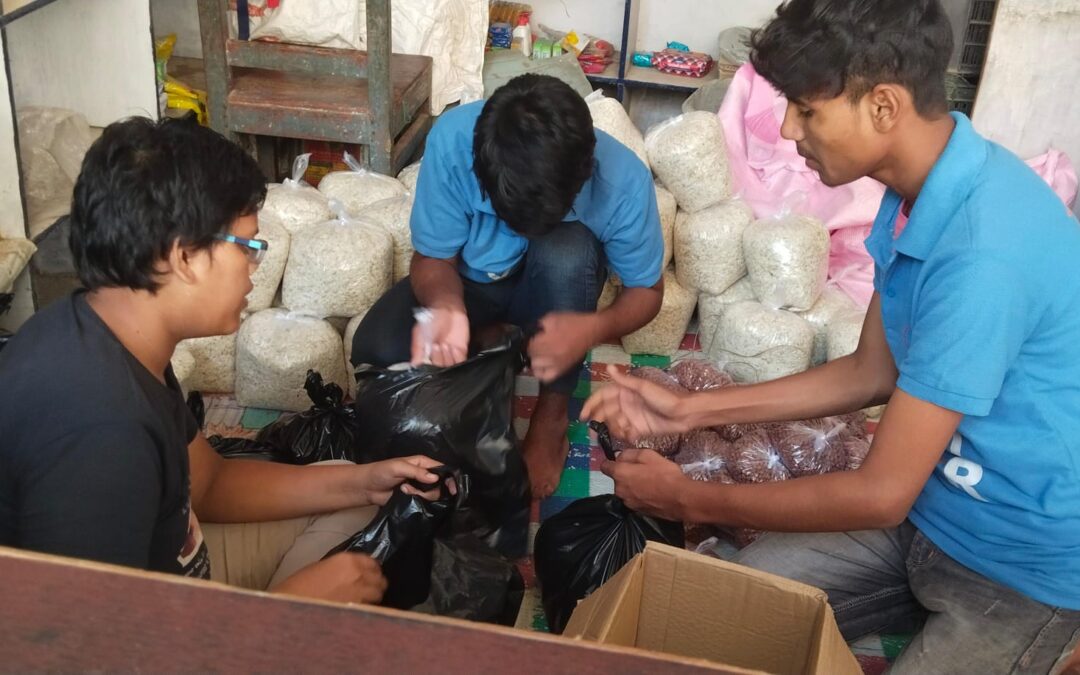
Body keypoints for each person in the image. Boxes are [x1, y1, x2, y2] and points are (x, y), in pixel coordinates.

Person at [582, 1, 1080, 672]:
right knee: (703, 611)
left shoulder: (982, 253)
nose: (788, 129)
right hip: (927, 515)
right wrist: (689, 407)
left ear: (882, 107)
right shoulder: (921, 197)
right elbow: (867, 372)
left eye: (807, 110)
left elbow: (880, 491)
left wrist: (690, 497)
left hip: (1022, 562)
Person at [0, 116, 445, 605]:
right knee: (338, 610)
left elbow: (210, 486)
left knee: (357, 507)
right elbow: (88, 652)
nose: (256, 267)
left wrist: (364, 481)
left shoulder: (107, 330)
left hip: (168, 570)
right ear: (184, 257)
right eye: (251, 245)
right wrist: (294, 609)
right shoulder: (100, 431)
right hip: (127, 637)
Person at [350, 74, 665, 499]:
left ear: (583, 174)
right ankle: (495, 342)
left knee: (567, 251)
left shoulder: (623, 179)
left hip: (554, 294)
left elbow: (647, 291)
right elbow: (433, 258)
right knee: (377, 347)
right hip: (472, 283)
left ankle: (551, 414)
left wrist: (591, 329)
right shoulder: (454, 140)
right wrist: (446, 307)